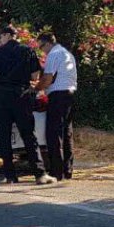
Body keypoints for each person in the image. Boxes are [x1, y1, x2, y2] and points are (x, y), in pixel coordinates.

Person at [0, 25, 56, 185]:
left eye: (0, 37)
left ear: (6, 35)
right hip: (21, 95)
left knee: (4, 136)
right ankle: (40, 174)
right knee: (29, 135)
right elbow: (35, 75)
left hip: (2, 97)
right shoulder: (27, 50)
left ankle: (10, 177)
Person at [34, 32, 78, 181]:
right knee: (66, 133)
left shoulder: (54, 54)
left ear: (47, 43)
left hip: (58, 95)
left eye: (41, 47)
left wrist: (35, 88)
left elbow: (47, 78)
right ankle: (68, 170)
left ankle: (56, 172)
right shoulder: (67, 54)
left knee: (53, 134)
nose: (42, 51)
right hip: (69, 94)